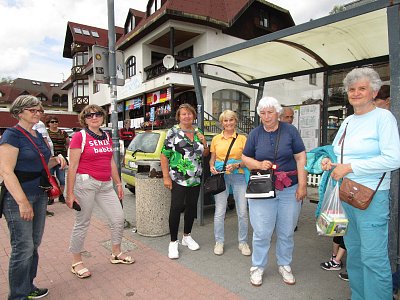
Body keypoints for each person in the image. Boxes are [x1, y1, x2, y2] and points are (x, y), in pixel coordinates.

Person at [321, 67, 400, 300]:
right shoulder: (348, 122)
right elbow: (337, 153)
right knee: (354, 253)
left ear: (373, 91)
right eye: (352, 89)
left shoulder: (383, 117)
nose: (356, 93)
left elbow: (394, 158)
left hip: (372, 198)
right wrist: (330, 162)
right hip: (347, 194)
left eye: (362, 88)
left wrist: (351, 167)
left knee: (373, 258)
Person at [0, 95, 66, 299]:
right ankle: (18, 295)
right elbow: (6, 171)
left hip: (39, 194)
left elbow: (42, 164)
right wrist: (22, 202)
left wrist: (57, 160)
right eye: (33, 110)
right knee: (23, 246)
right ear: (19, 112)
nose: (38, 113)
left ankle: (28, 286)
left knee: (34, 243)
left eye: (40, 110)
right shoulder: (12, 135)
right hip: (19, 196)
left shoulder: (37, 135)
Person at [242, 96, 307, 287]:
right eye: (262, 113)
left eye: (270, 112)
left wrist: (303, 185)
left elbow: (301, 157)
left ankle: (284, 264)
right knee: (262, 231)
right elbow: (245, 158)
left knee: (286, 231)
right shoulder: (255, 134)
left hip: (289, 187)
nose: (266, 116)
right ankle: (257, 266)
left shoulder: (290, 131)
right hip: (263, 188)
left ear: (277, 113)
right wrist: (259, 164)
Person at [66, 104, 134, 279]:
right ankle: (76, 262)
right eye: (89, 116)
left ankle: (116, 253)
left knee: (118, 218)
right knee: (83, 222)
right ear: (84, 119)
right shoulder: (79, 137)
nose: (94, 117)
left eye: (97, 114)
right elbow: (72, 166)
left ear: (103, 117)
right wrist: (69, 193)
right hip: (86, 184)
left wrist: (118, 184)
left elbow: (110, 161)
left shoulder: (106, 136)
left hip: (105, 185)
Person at [160, 103, 210, 259]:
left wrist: (204, 142)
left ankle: (187, 236)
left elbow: (205, 154)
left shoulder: (198, 131)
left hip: (195, 177)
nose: (187, 116)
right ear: (179, 117)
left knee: (191, 207)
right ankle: (173, 242)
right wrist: (166, 176)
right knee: (176, 207)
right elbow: (164, 155)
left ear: (194, 115)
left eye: (189, 113)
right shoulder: (173, 132)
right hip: (178, 177)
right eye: (183, 114)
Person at [209, 110, 250, 256]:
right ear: (221, 123)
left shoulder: (242, 139)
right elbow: (212, 158)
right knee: (220, 211)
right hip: (221, 177)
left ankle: (243, 242)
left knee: (243, 212)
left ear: (235, 121)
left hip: (238, 176)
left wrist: (237, 165)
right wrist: (211, 167)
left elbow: (247, 160)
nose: (228, 123)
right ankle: (219, 242)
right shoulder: (215, 139)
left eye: (231, 120)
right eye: (225, 121)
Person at [46, 115, 70, 203]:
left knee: (62, 179)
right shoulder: (46, 133)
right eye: (52, 122)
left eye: (56, 121)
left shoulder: (63, 132)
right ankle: (51, 197)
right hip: (50, 159)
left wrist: (67, 154)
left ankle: (61, 195)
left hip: (61, 158)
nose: (55, 123)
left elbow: (68, 143)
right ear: (48, 123)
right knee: (51, 178)